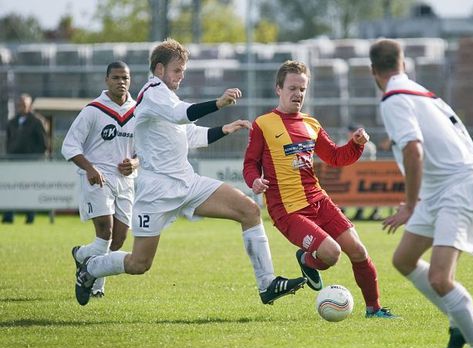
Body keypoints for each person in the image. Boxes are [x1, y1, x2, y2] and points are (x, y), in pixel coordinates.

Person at [72, 38, 306, 307]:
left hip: (187, 183)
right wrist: (217, 104)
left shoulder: (168, 96)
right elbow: (180, 114)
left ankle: (267, 284)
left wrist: (224, 129)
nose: (181, 76)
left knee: (249, 210)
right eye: (177, 70)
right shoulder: (151, 92)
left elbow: (190, 134)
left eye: (183, 71)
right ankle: (90, 269)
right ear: (159, 70)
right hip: (156, 192)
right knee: (139, 263)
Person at [369, 39, 473, 348]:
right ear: (404, 64)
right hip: (443, 188)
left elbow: (413, 150)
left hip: (456, 190)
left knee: (440, 278)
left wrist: (410, 204)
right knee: (404, 259)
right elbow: (460, 137)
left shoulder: (394, 100)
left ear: (373, 72)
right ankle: (457, 320)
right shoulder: (424, 94)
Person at [243, 60, 397, 319]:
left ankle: (375, 309)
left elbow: (337, 157)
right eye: (292, 88)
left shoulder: (311, 124)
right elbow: (250, 163)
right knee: (331, 253)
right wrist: (254, 181)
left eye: (302, 89)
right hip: (288, 211)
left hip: (318, 200)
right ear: (278, 89)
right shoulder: (264, 124)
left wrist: (356, 144)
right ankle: (307, 260)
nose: (298, 94)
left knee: (358, 251)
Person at [61, 61, 138, 297]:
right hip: (98, 179)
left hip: (126, 182)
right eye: (115, 77)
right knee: (105, 232)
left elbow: (146, 149)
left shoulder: (139, 111)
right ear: (106, 80)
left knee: (119, 240)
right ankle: (96, 287)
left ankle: (81, 255)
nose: (121, 82)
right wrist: (90, 168)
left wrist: (135, 163)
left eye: (124, 78)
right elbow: (69, 146)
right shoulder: (93, 110)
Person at [2, 93, 48, 224]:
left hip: (30, 163)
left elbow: (44, 143)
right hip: (14, 162)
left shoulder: (37, 121)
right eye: (19, 105)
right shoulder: (11, 122)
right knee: (11, 189)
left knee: (29, 190)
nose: (21, 107)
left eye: (24, 104)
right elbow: (8, 141)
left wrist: (34, 158)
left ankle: (30, 217)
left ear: (30, 106)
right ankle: (8, 216)